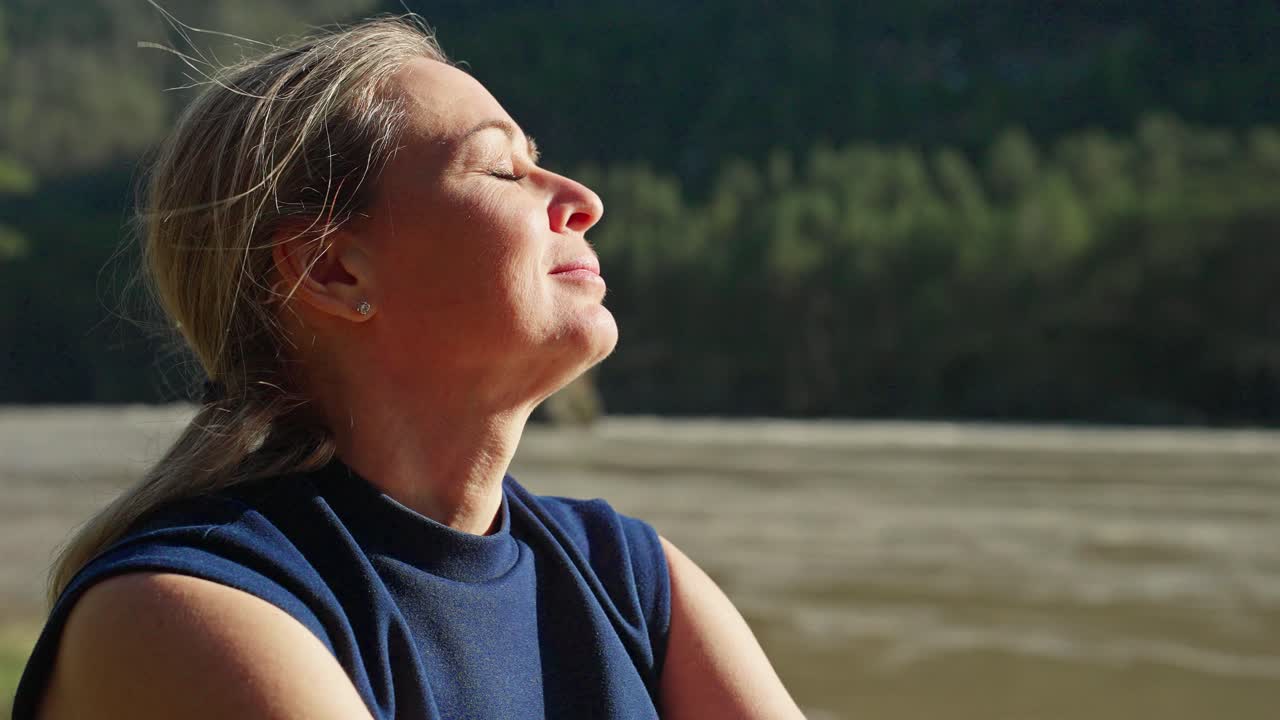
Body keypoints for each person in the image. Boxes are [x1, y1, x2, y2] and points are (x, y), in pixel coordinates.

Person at [12, 16, 805, 720]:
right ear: (332, 271)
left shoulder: (632, 578)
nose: (582, 198)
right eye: (501, 170)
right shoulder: (189, 610)